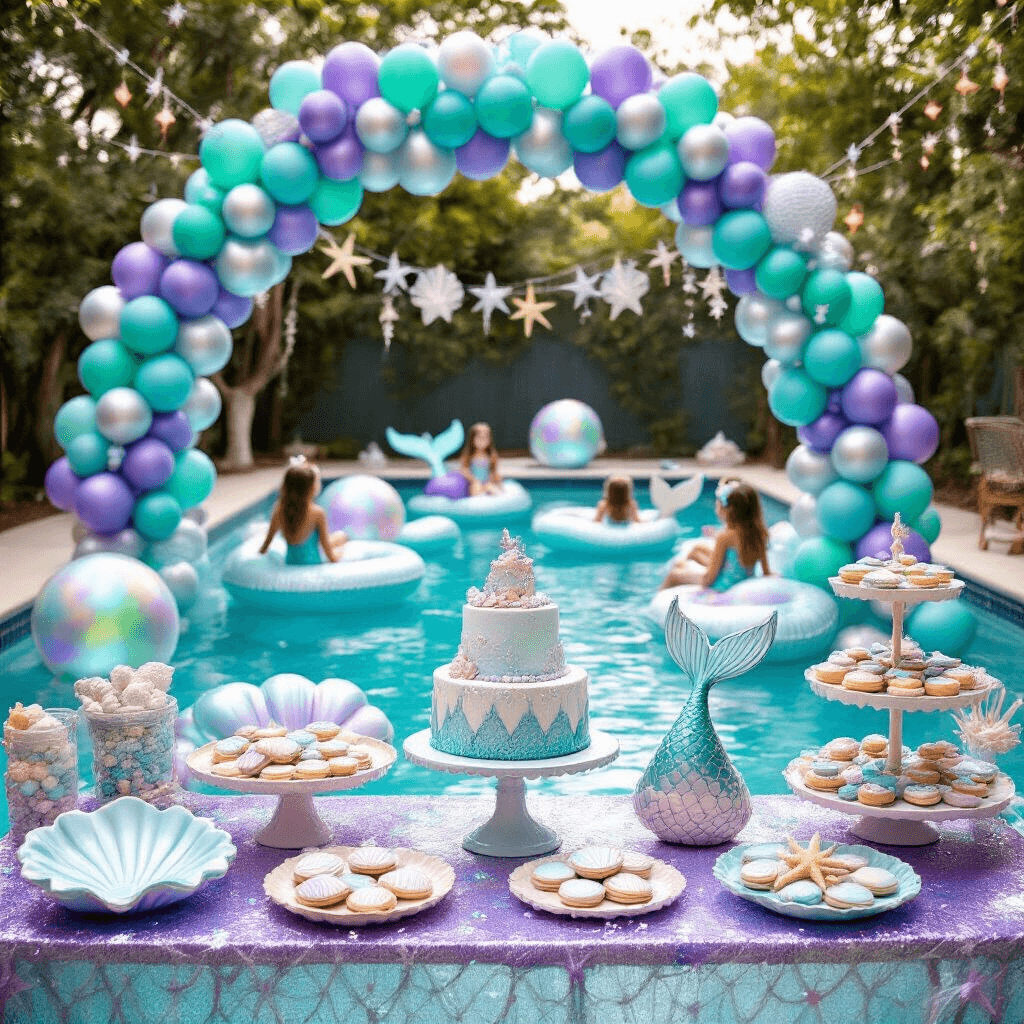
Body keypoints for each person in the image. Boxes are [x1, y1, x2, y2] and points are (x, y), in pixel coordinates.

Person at [659, 479, 770, 590]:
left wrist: (686, 576)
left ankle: (656, 605)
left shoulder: (724, 537)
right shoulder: (760, 532)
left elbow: (708, 579)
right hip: (741, 579)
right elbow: (766, 571)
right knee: (696, 550)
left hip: (723, 586)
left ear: (726, 509)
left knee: (673, 574)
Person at [259, 458, 347, 565]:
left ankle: (340, 537)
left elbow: (266, 544)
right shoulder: (317, 513)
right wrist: (341, 554)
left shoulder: (279, 509)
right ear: (311, 488)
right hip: (312, 566)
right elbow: (329, 553)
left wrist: (260, 553)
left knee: (339, 537)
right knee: (341, 538)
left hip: (290, 563)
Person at [459, 421, 502, 496]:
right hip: (474, 482)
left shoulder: (491, 455)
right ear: (472, 439)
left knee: (492, 488)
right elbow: (464, 470)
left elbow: (494, 471)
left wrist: (499, 484)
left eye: (485, 438)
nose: (482, 441)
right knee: (476, 487)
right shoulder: (469, 455)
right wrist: (473, 479)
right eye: (479, 438)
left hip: (487, 482)